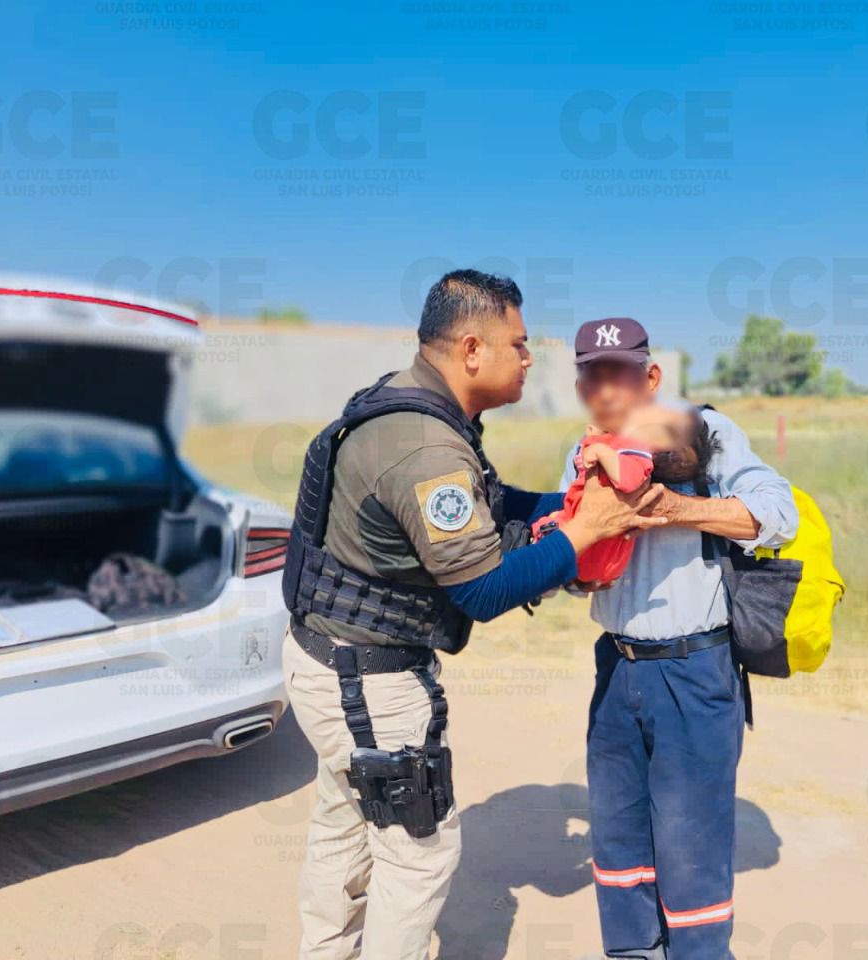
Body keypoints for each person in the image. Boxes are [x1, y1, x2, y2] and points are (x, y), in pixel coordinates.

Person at [280, 273, 664, 960]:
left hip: (329, 660)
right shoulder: (425, 449)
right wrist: (581, 537)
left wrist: (570, 507)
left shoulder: (411, 406)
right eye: (519, 345)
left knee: (344, 823)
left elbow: (497, 500)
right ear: (471, 348)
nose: (529, 360)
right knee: (416, 855)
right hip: (367, 680)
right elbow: (482, 591)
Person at [561, 317, 799, 959]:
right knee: (617, 838)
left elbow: (778, 516)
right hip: (616, 666)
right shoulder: (583, 451)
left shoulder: (706, 432)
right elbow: (580, 562)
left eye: (621, 372)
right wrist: (570, 563)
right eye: (592, 375)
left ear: (652, 376)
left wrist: (672, 508)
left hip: (696, 670)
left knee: (690, 842)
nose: (606, 387)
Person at [532, 404, 719, 584]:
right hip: (588, 562)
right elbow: (570, 498)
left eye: (681, 468)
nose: (671, 460)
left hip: (606, 563)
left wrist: (601, 451)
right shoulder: (618, 435)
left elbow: (749, 517)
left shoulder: (641, 456)